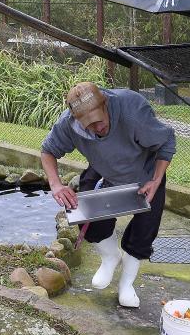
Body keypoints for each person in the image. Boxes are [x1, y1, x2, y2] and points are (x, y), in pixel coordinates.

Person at [41, 82, 176, 308]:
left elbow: (166, 142)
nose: (97, 128)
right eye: (88, 126)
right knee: (86, 218)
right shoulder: (68, 123)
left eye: (99, 122)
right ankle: (110, 258)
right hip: (103, 171)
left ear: (105, 103)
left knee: (144, 233)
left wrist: (156, 179)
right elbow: (48, 151)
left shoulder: (133, 110)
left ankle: (126, 284)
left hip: (145, 175)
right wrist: (55, 184)